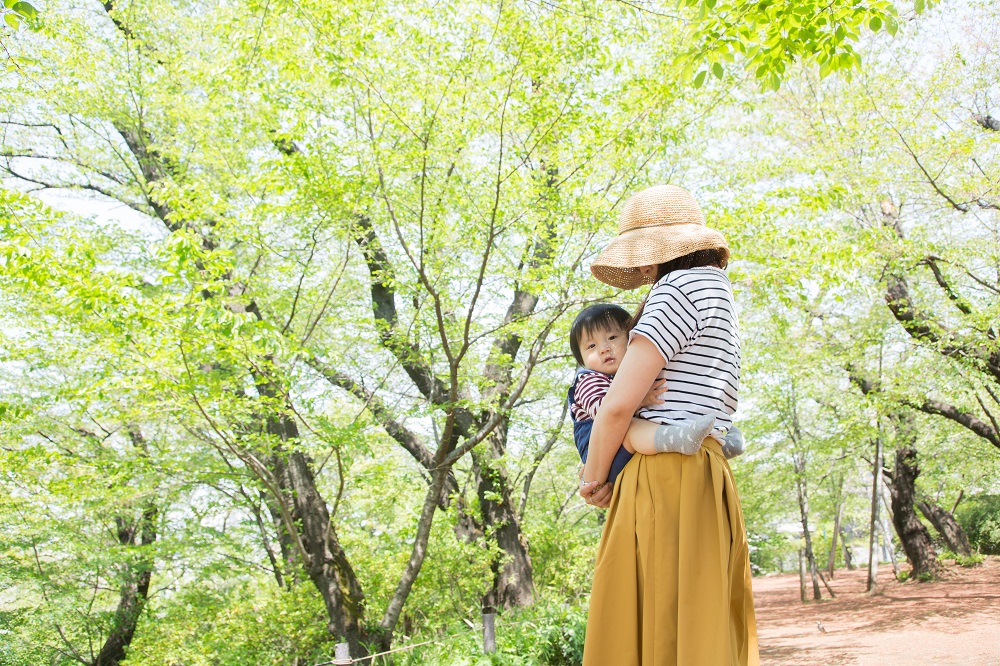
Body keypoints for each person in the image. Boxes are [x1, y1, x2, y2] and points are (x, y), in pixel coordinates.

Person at [579, 184, 759, 665]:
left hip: (664, 475)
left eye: (643, 255)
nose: (640, 269)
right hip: (708, 471)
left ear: (663, 252)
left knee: (652, 624)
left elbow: (616, 407)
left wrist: (593, 479)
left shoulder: (674, 292)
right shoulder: (718, 292)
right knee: (703, 626)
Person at [568, 304, 746, 485]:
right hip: (602, 456)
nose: (604, 348)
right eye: (591, 346)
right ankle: (677, 438)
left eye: (612, 337)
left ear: (631, 340)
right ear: (582, 360)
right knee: (633, 427)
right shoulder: (589, 380)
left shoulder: (627, 375)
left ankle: (717, 442)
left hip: (627, 453)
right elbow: (604, 413)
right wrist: (639, 400)